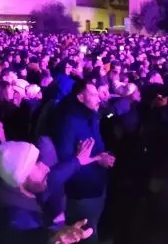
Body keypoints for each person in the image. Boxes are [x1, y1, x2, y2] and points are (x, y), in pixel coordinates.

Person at [52, 81, 115, 243]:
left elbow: (96, 147)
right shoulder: (68, 122)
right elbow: (65, 159)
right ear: (80, 97)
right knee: (85, 234)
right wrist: (95, 160)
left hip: (97, 184)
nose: (99, 98)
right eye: (93, 94)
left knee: (92, 228)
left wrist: (103, 156)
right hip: (81, 191)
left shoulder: (92, 117)